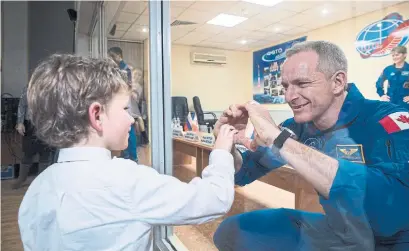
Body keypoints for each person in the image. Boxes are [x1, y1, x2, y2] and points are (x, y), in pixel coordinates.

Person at [18, 54, 237, 250]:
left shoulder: (37, 189)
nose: (132, 118)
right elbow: (214, 199)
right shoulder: (126, 182)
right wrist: (221, 150)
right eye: (124, 109)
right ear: (97, 115)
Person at [213, 41, 409, 251]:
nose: (289, 97)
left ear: (337, 82)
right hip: (343, 231)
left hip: (394, 240)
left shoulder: (388, 120)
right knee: (232, 232)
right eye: (286, 86)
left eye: (302, 83)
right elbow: (244, 171)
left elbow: (394, 212)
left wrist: (279, 140)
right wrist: (228, 144)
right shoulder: (297, 129)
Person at [12, 86, 51, 189]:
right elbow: (22, 106)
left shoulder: (52, 88)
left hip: (47, 125)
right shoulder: (28, 89)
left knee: (45, 155)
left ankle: (41, 181)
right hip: (30, 125)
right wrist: (20, 122)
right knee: (27, 153)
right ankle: (21, 178)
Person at [108, 46, 138, 162]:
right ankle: (126, 155)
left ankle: (132, 157)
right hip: (121, 102)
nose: (110, 58)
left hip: (125, 102)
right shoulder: (116, 68)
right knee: (124, 128)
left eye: (112, 56)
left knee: (129, 129)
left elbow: (126, 87)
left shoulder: (124, 69)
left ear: (119, 56)